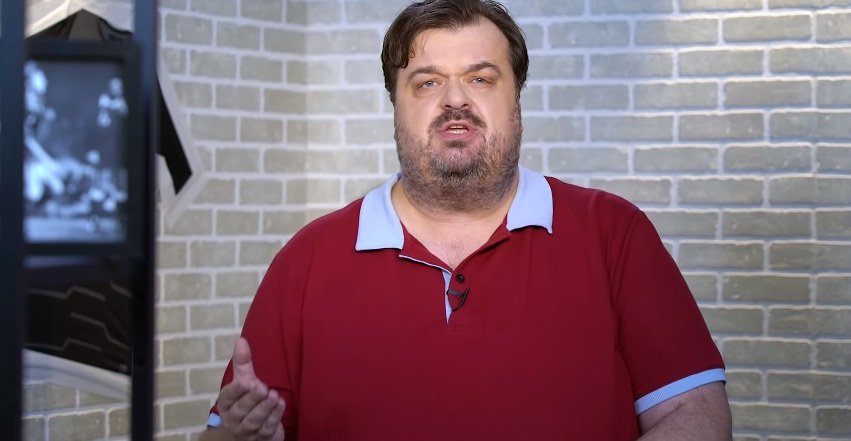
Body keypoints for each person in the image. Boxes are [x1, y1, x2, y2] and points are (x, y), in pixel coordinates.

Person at [203, 1, 732, 440]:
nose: (455, 99)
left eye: (481, 78)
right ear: (395, 108)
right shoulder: (308, 258)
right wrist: (237, 437)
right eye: (427, 83)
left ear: (517, 101)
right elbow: (223, 435)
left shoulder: (614, 233)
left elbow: (696, 417)